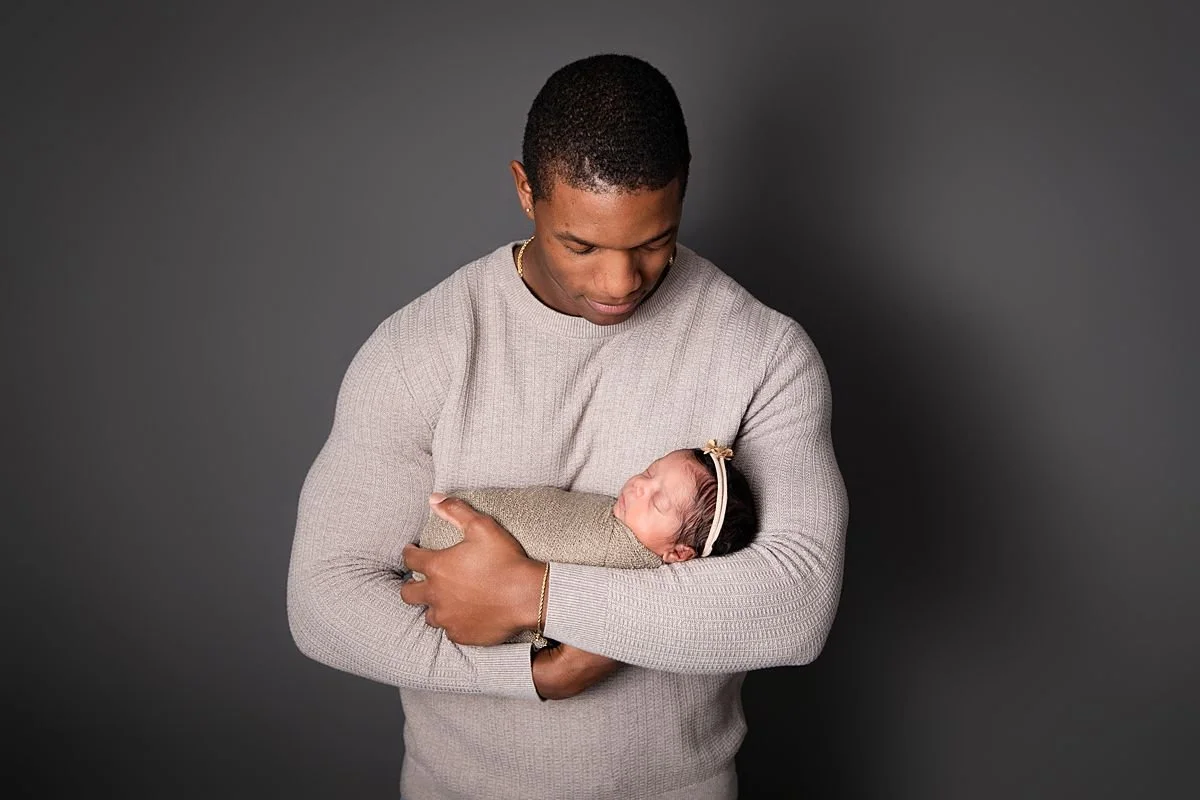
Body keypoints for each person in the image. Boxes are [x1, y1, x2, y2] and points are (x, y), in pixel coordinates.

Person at [287, 53, 848, 800]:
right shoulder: (421, 349)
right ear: (526, 190)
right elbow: (323, 602)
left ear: (684, 187)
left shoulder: (764, 352)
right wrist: (533, 677)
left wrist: (537, 597)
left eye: (653, 241)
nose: (620, 283)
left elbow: (795, 606)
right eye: (581, 246)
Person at [413, 442, 759, 647]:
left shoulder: (623, 562)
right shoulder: (611, 519)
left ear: (679, 554)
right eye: (651, 472)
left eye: (659, 503)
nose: (640, 486)